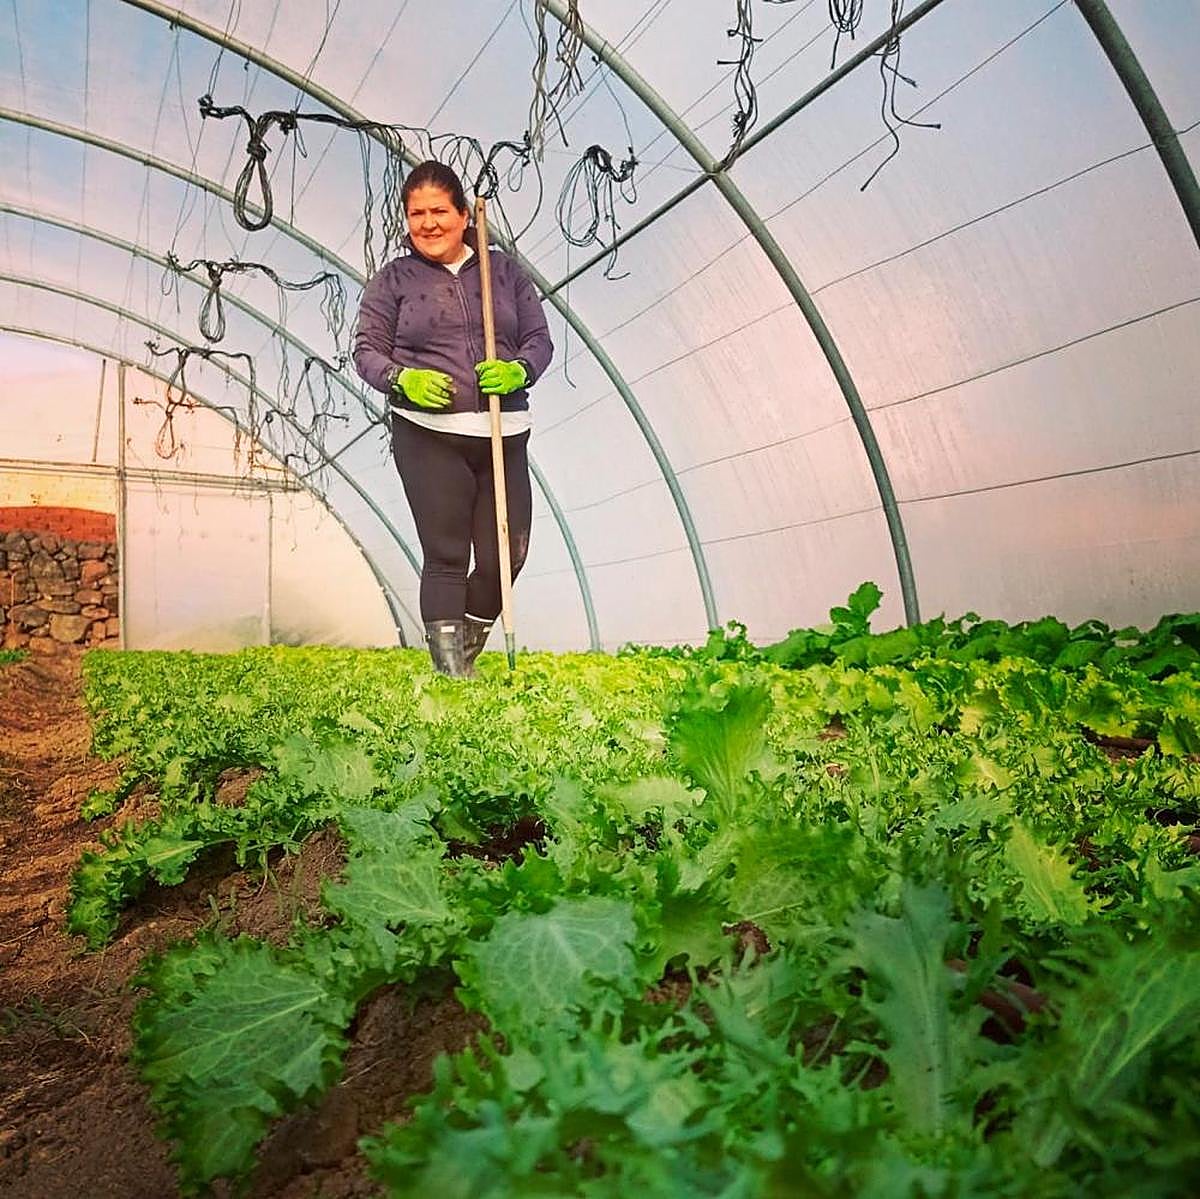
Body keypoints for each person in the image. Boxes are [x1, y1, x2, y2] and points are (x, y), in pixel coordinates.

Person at [353, 160, 554, 677]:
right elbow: (367, 352)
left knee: (506, 555)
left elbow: (539, 339)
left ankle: (463, 649)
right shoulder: (393, 280)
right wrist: (403, 380)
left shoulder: (502, 271)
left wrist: (519, 370)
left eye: (439, 211)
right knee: (446, 553)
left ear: (465, 215)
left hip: (501, 432)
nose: (428, 223)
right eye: (416, 213)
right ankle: (452, 678)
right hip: (429, 436)